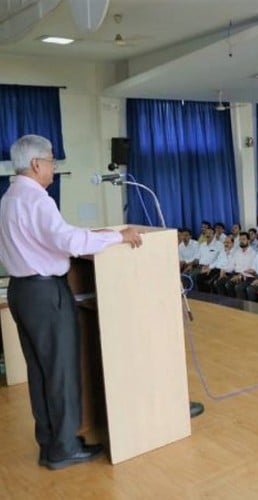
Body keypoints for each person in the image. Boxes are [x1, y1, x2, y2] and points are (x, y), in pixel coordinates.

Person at [0, 135, 143, 470]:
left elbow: (50, 237)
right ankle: (65, 448)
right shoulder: (38, 200)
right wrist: (118, 236)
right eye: (52, 160)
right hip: (46, 293)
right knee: (61, 369)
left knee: (40, 371)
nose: (54, 166)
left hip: (22, 291)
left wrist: (96, 235)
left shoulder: (8, 198)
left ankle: (50, 442)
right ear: (36, 164)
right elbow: (68, 241)